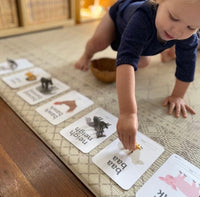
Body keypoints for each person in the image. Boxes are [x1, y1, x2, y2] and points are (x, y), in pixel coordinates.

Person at [74, 0, 200, 151]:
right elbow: (126, 59)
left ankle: (167, 50)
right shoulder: (143, 17)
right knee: (99, 42)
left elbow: (187, 64)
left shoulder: (186, 34)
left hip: (146, 38)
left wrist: (178, 95)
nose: (177, 31)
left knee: (144, 62)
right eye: (173, 17)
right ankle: (86, 55)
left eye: (191, 27)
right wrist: (128, 114)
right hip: (118, 18)